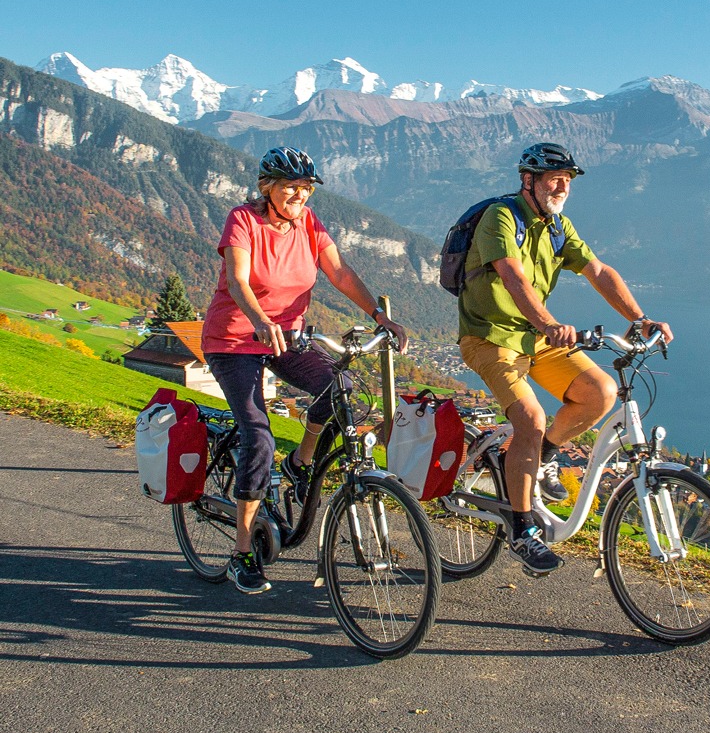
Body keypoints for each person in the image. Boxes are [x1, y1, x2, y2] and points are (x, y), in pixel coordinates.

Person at [457, 142, 672, 575]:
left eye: (568, 180)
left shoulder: (558, 226)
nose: (562, 187)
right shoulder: (501, 218)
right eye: (554, 179)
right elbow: (514, 279)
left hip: (536, 338)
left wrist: (640, 318)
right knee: (531, 421)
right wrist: (549, 323)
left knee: (601, 391)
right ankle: (521, 530)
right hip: (490, 337)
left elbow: (599, 271)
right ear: (528, 181)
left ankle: (543, 456)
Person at [202, 147, 408, 594]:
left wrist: (379, 317)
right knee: (257, 433)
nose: (299, 195)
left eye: (306, 188)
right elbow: (237, 279)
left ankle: (301, 461)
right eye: (290, 187)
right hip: (234, 341)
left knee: (342, 387)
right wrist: (260, 320)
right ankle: (241, 552)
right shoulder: (244, 220)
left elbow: (340, 272)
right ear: (267, 188)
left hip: (288, 339)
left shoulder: (309, 224)